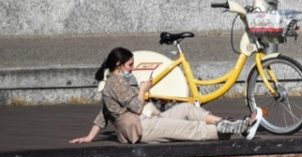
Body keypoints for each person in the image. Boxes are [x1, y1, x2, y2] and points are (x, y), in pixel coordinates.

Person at [71, 47, 261, 144]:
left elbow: (103, 114)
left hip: (146, 121)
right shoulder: (116, 83)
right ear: (119, 65)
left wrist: (89, 137)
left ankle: (225, 123)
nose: (133, 68)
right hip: (140, 128)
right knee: (191, 129)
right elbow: (136, 107)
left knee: (186, 109)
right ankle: (240, 128)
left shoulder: (112, 83)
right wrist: (143, 90)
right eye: (130, 65)